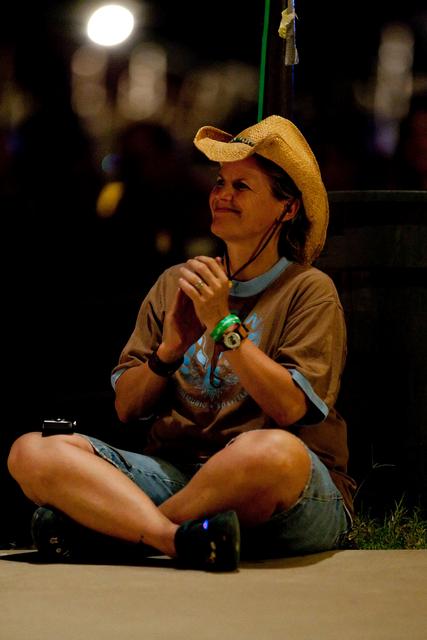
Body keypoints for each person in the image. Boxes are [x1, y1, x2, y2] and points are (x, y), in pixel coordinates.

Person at [7, 115, 356, 571]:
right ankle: (173, 538)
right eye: (219, 183)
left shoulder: (309, 289)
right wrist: (169, 351)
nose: (222, 196)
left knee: (271, 451)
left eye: (242, 187)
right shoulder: (177, 282)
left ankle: (111, 531)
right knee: (32, 449)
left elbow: (290, 409)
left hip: (285, 490)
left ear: (287, 209)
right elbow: (126, 409)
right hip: (177, 473)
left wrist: (223, 325)